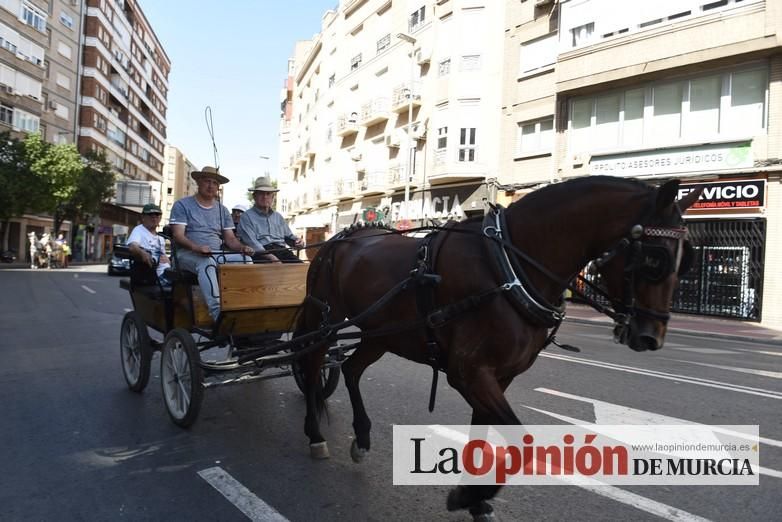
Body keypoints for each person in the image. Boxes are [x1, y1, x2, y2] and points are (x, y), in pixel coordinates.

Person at [169, 166, 254, 320]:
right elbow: (178, 236)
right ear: (198, 182)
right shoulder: (182, 205)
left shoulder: (223, 210)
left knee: (246, 260)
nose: (211, 186)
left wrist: (243, 248)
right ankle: (217, 314)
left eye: (214, 183)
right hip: (186, 255)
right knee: (206, 263)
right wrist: (197, 247)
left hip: (215, 254)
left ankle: (243, 305)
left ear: (218, 187)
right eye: (207, 181)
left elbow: (230, 239)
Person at [237, 175, 304, 263]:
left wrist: (298, 242)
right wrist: (270, 257)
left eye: (268, 194)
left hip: (282, 251)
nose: (265, 197)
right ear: (254, 197)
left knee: (303, 270)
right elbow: (251, 242)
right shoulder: (246, 216)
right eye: (261, 193)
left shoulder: (278, 217)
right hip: (260, 253)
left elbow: (289, 237)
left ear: (273, 197)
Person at [126, 203, 171, 284]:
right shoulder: (139, 230)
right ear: (143, 217)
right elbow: (133, 246)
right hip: (150, 276)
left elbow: (163, 257)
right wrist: (143, 253)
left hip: (166, 273)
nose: (154, 218)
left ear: (160, 218)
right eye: (150, 215)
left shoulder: (161, 237)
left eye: (157, 215)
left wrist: (169, 261)